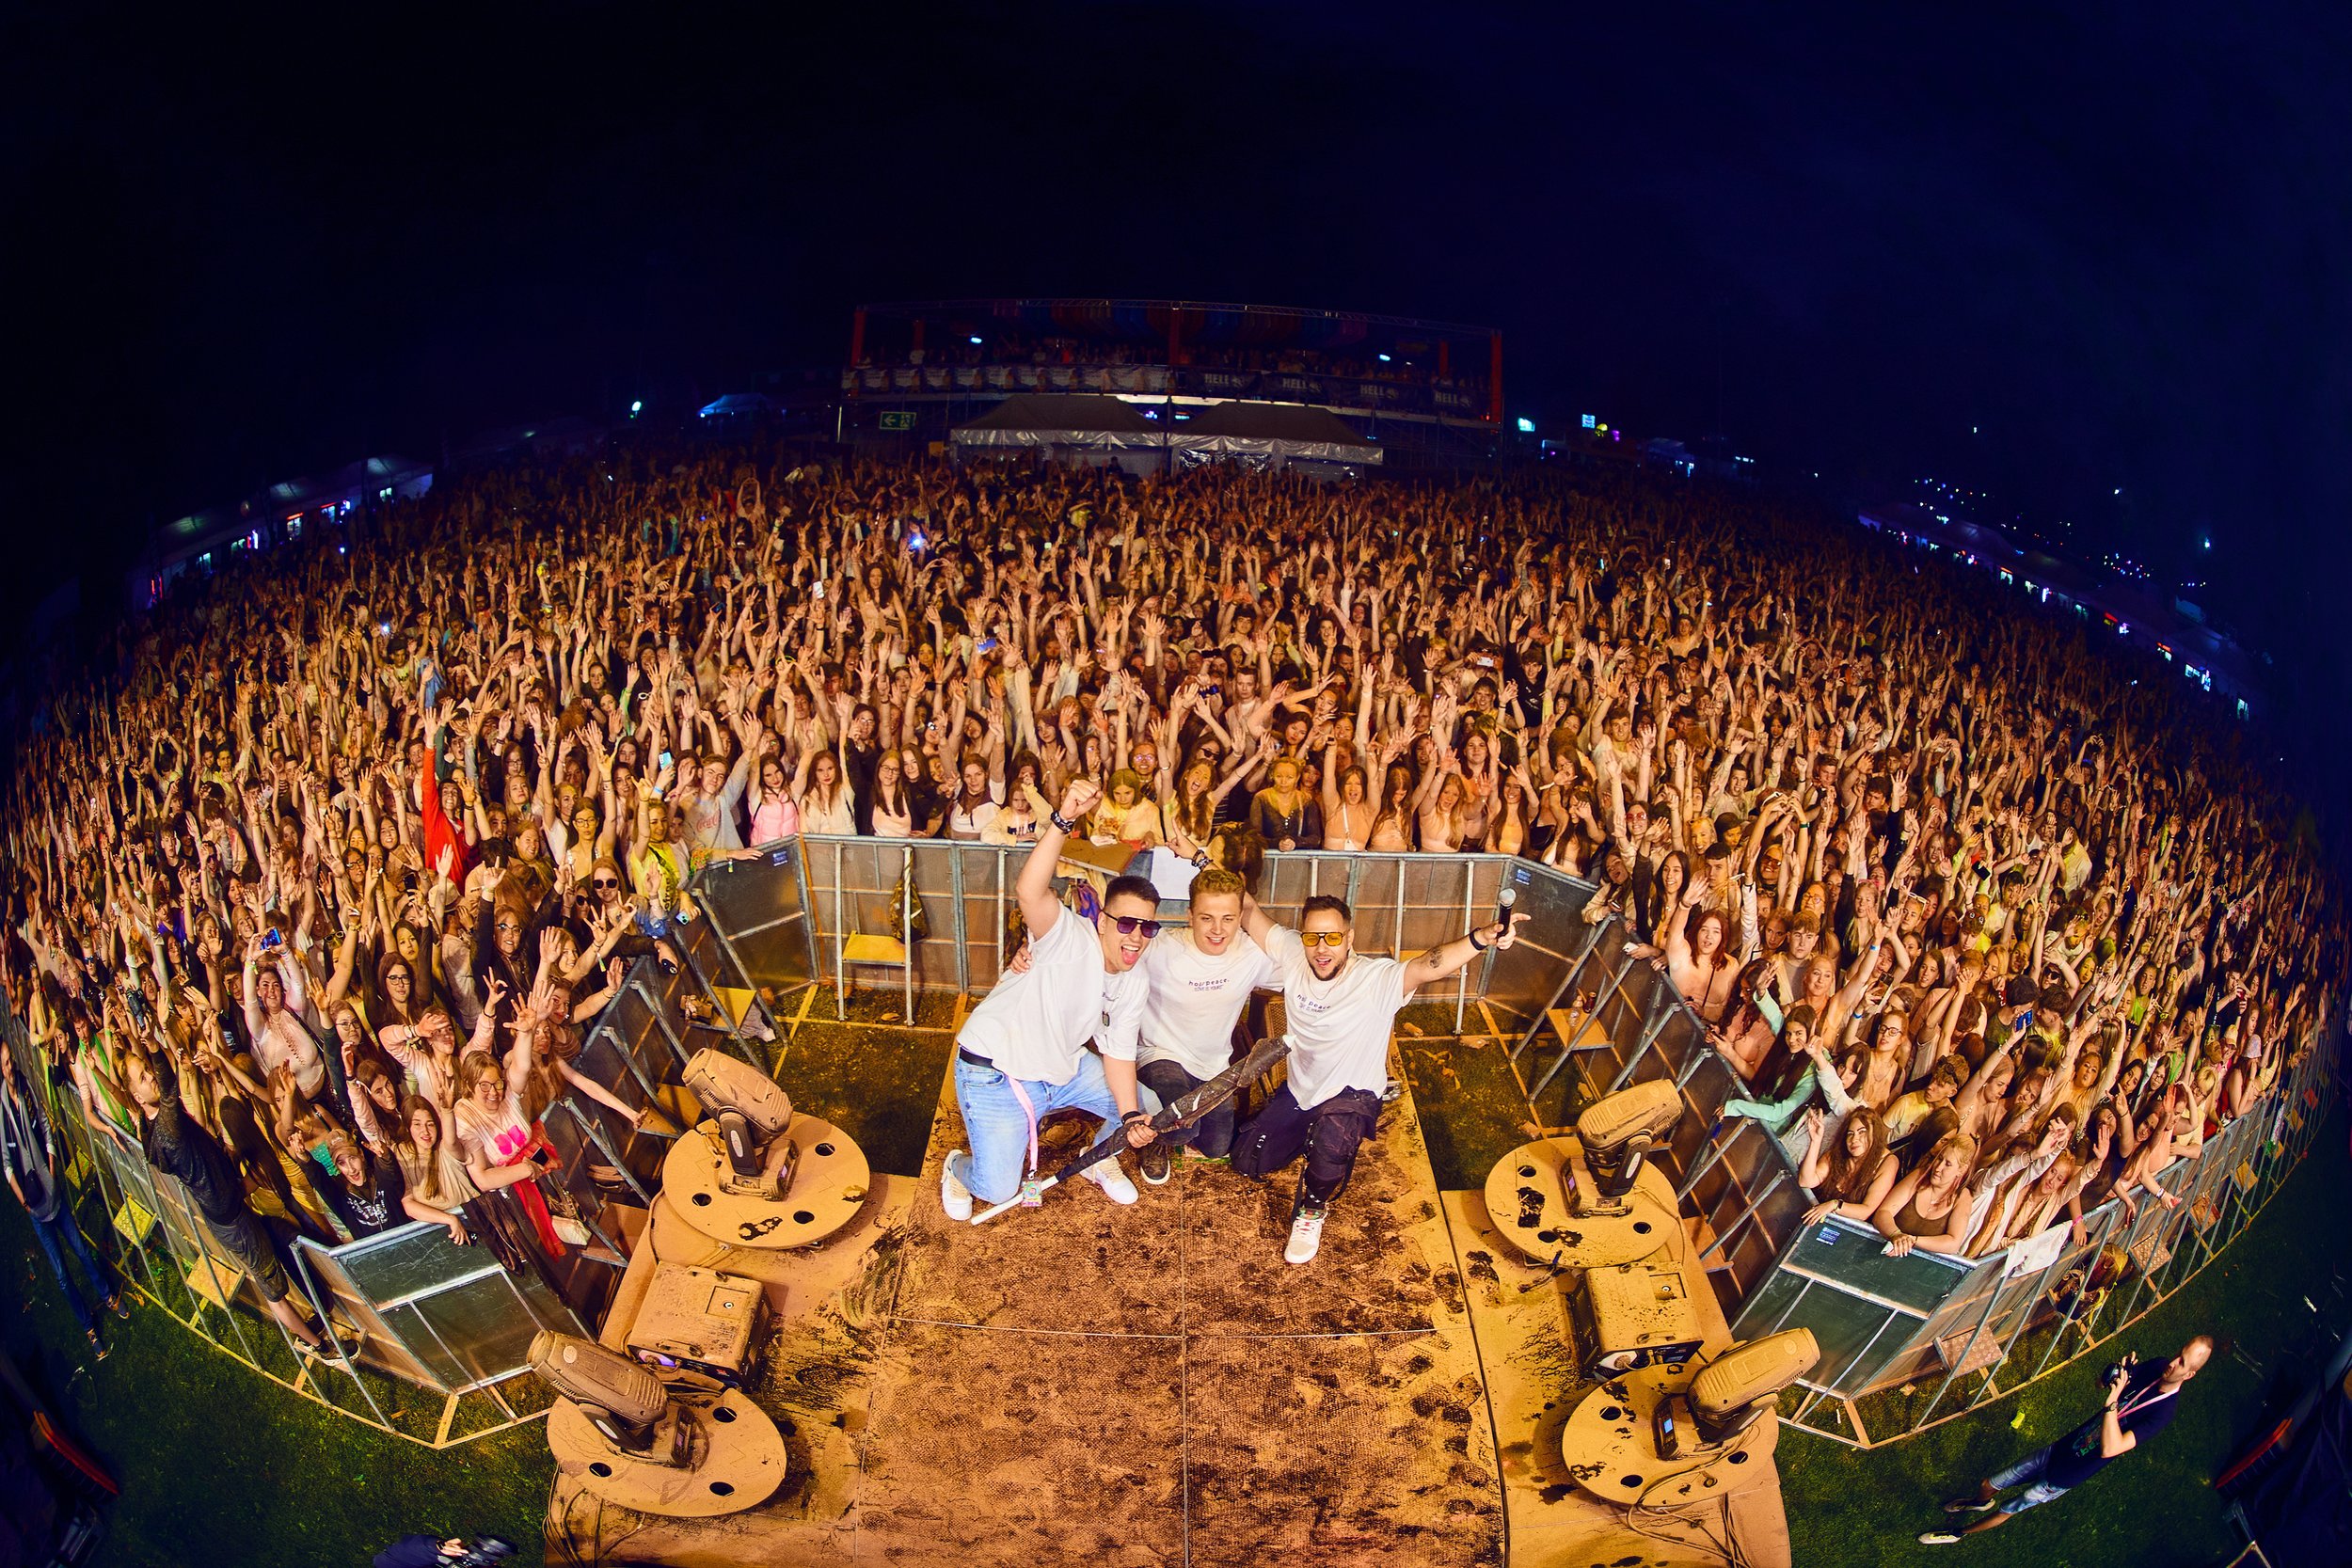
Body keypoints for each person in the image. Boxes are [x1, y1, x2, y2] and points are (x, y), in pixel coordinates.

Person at [1233, 891, 1527, 1263]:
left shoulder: (1376, 979)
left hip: (1351, 1094)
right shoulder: (1294, 953)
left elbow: (1429, 964)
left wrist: (1480, 939)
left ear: (1349, 938)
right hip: (1301, 1089)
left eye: (1333, 937)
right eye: (1313, 937)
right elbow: (1249, 911)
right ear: (1302, 937)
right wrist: (1197, 854)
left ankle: (1313, 1205)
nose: (1322, 948)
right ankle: (1306, 1136)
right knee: (1247, 1161)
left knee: (1330, 1150)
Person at [938, 780, 1159, 1221]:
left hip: (1061, 1068)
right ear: (1102, 921)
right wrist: (1064, 819)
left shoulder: (1134, 979)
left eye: (1148, 927)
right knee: (997, 1187)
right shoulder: (1068, 936)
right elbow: (1029, 891)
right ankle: (958, 1170)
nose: (1135, 936)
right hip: (996, 1072)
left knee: (1146, 1106)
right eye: (1126, 923)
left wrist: (1131, 1116)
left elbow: (1118, 1056)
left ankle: (1099, 1159)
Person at [1920, 1335, 2215, 1544]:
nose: (2173, 1362)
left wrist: (2112, 1403)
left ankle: (1958, 1534)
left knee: (2009, 1508)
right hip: (2059, 1449)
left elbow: (2112, 1448)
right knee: (1989, 1483)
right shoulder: (2157, 1365)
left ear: (2189, 1375)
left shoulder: (2163, 1413)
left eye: (2182, 1362)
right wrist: (2115, 1373)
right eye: (2179, 1353)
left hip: (2067, 1475)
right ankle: (1977, 1501)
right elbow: (2102, 1383)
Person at [1130, 864, 1277, 1182]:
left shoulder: (1252, 954)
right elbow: (1106, 952)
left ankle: (1175, 1121)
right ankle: (1153, 1140)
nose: (1217, 930)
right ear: (1189, 915)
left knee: (1216, 1146)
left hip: (1213, 1066)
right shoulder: (1161, 947)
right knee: (1181, 1129)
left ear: (1241, 917)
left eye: (1228, 919)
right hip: (1161, 1054)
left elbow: (1305, 972)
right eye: (1206, 918)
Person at [2, 1036, 126, 1355]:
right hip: (35, 1206)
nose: (11, 1067)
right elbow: (5, 1162)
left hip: (52, 1191)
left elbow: (44, 1126)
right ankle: (88, 1328)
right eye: (5, 1063)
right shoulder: (1, 1111)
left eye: (10, 1060)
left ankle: (108, 1296)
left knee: (82, 1251)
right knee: (60, 1274)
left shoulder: (26, 1087)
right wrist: (23, 1202)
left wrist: (54, 1168)